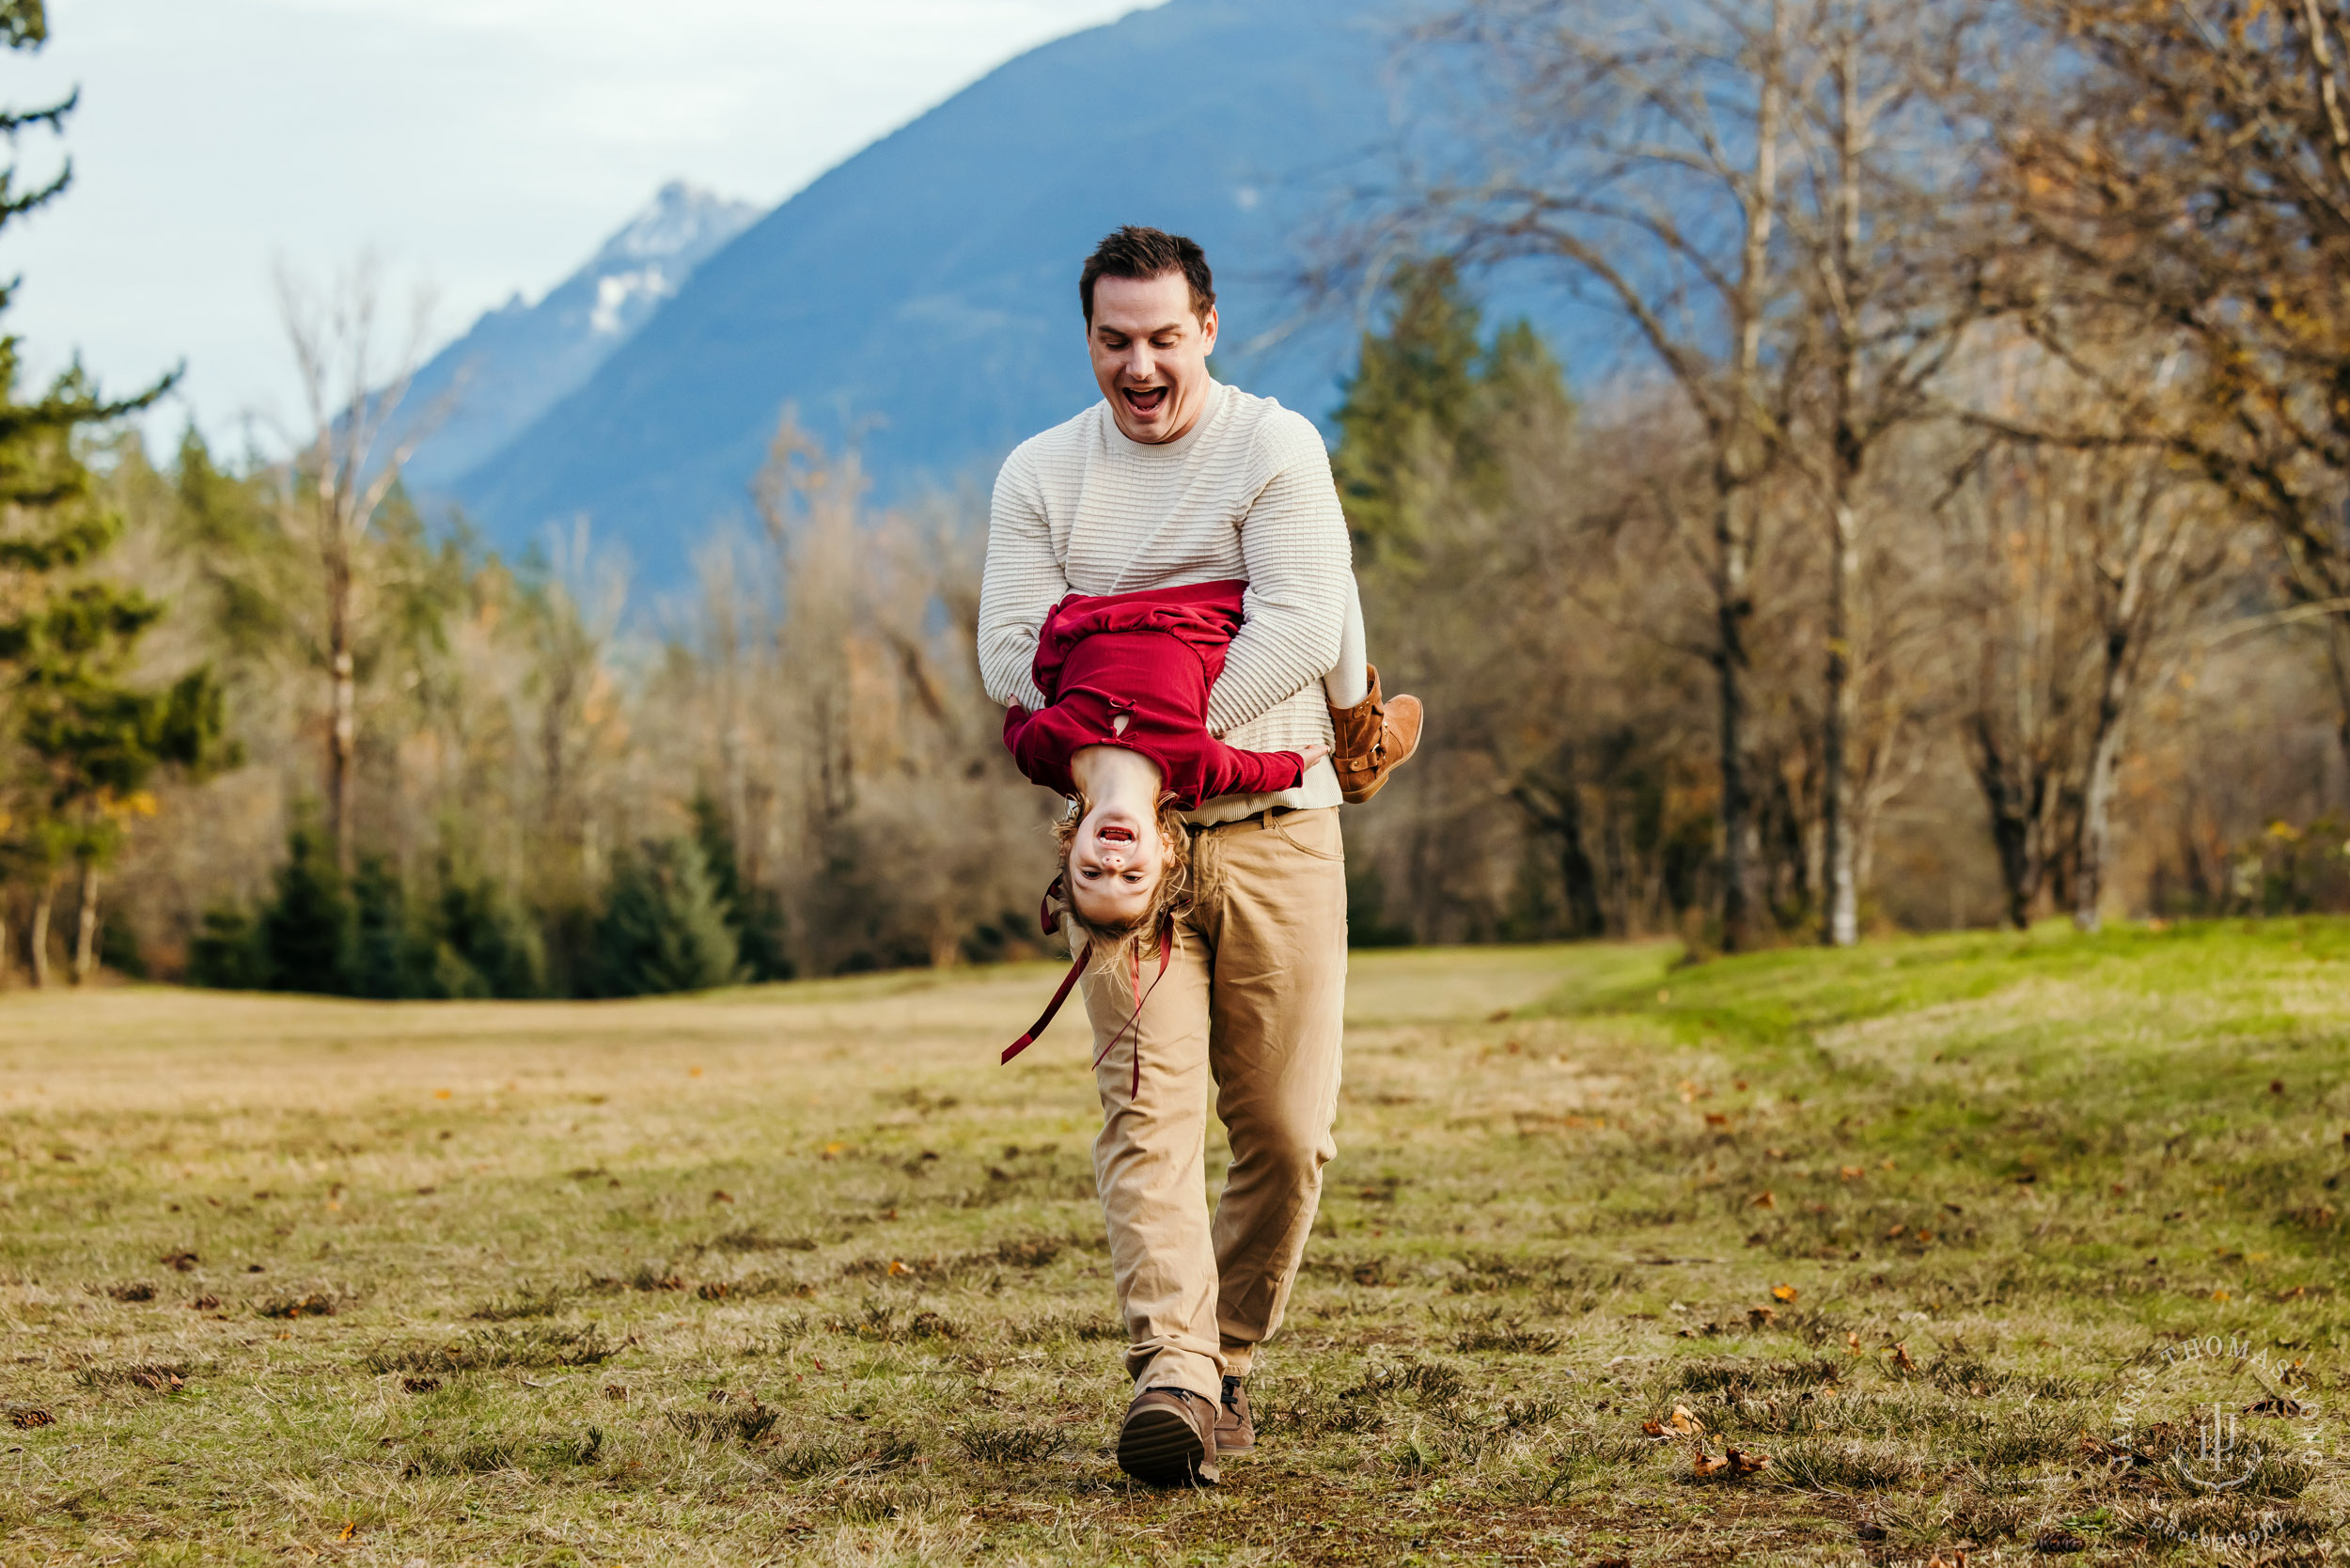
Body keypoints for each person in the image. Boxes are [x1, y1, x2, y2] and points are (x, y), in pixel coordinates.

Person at [978, 226, 1420, 1486]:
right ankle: (1171, 1373)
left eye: (1165, 337)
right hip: (1124, 846)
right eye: (1116, 341)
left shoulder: (1274, 447)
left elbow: (1294, 621)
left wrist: (1126, 699)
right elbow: (1009, 654)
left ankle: (1225, 1352)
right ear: (1089, 341)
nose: (1141, 365)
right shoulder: (1039, 476)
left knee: (1286, 1132)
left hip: (1279, 828)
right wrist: (1131, 762)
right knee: (1145, 1112)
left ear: (1209, 330)